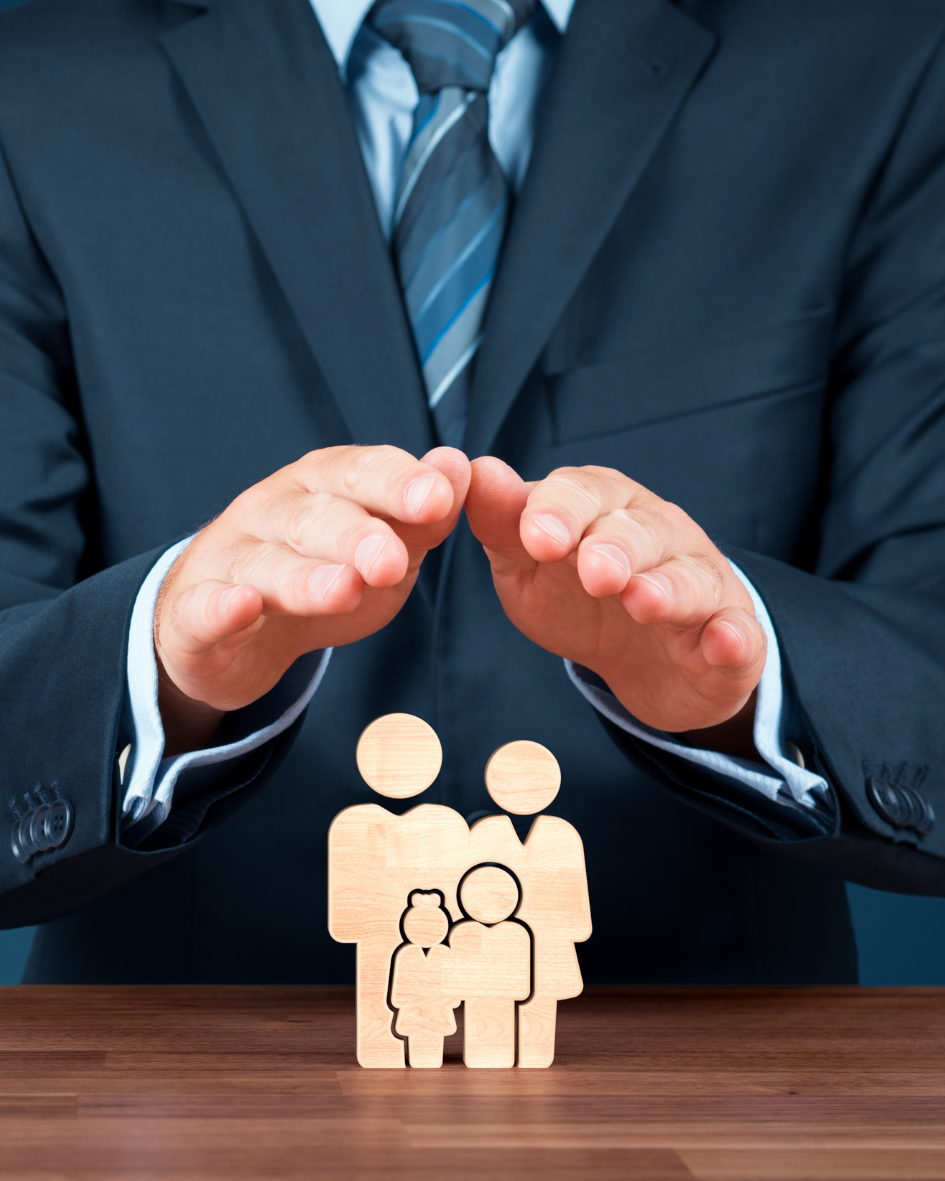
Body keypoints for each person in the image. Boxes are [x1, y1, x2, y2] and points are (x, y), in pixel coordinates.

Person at [0, 0, 943, 989]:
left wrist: (741, 684)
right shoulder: (36, 80)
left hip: (727, 1083)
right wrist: (162, 666)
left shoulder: (879, 59)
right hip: (167, 1095)